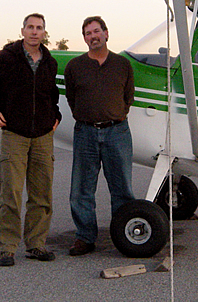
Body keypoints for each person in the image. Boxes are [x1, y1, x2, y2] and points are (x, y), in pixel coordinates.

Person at [0, 13, 61, 267]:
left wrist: (55, 116)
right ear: (22, 30)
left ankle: (36, 245)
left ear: (44, 33)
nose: (35, 32)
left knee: (42, 193)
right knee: (11, 193)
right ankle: (7, 248)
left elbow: (51, 94)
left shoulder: (49, 62)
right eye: (30, 27)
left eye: (39, 28)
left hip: (43, 135)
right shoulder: (6, 58)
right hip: (15, 134)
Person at [64, 15, 135, 256]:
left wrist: (114, 116)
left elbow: (128, 97)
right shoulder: (74, 66)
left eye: (96, 31)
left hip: (117, 132)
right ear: (84, 38)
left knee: (122, 188)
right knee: (81, 189)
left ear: (106, 33)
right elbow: (71, 98)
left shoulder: (122, 65)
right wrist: (87, 117)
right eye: (87, 33)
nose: (92, 36)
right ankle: (85, 237)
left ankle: (123, 235)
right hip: (85, 133)